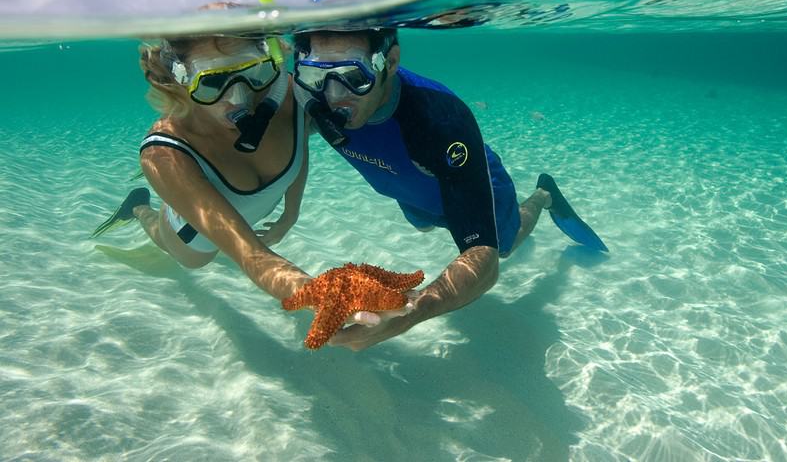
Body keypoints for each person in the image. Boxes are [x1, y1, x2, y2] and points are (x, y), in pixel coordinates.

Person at [292, 27, 606, 350]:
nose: (332, 96)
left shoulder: (440, 121)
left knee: (503, 246)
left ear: (391, 61)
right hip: (412, 192)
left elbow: (484, 262)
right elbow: (286, 143)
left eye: (353, 77)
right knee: (425, 225)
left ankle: (544, 195)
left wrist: (409, 313)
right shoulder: (308, 96)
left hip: (472, 184)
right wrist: (290, 212)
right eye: (317, 76)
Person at [91, 30, 317, 304]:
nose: (238, 97)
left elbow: (298, 149)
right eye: (212, 82)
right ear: (180, 79)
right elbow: (252, 255)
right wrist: (326, 298)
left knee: (230, 238)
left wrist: (290, 215)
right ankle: (139, 208)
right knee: (182, 252)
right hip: (192, 240)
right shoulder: (163, 152)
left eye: (251, 72)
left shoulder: (289, 95)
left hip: (245, 216)